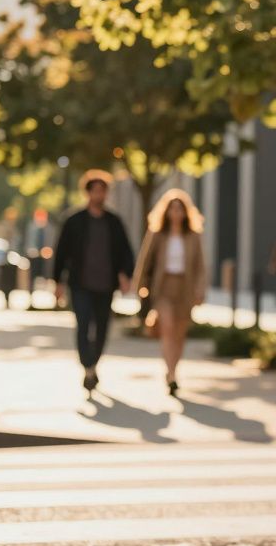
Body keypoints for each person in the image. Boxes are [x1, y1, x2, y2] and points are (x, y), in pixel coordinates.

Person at [52, 170, 135, 396]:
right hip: (80, 284)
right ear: (87, 192)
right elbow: (61, 253)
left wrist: (125, 275)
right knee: (83, 324)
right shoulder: (74, 220)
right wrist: (58, 282)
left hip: (106, 285)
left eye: (103, 191)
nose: (100, 195)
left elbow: (126, 251)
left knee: (102, 328)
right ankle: (87, 365)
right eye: (96, 190)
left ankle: (93, 364)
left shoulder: (114, 222)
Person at [132, 189, 207, 397]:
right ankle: (170, 373)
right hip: (163, 287)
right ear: (166, 211)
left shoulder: (193, 236)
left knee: (179, 333)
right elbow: (145, 260)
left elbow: (200, 266)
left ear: (185, 212)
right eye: (172, 209)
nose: (176, 213)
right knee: (167, 328)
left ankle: (174, 369)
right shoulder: (158, 234)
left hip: (185, 287)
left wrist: (200, 290)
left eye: (179, 209)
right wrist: (139, 285)